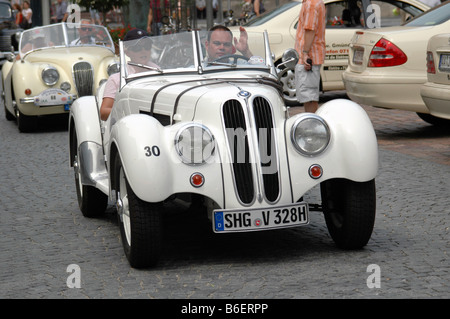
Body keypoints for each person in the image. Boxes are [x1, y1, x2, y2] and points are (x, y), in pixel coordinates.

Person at [100, 29, 158, 121]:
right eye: (137, 48)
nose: (143, 51)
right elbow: (103, 112)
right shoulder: (116, 79)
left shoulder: (158, 72)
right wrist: (129, 113)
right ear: (127, 52)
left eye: (147, 46)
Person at [294, 0, 326, 113]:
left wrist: (305, 53)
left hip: (309, 57)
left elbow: (310, 30)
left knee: (309, 98)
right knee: (309, 96)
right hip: (311, 55)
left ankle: (312, 127)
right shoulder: (314, 2)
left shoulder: (311, 4)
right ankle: (312, 124)